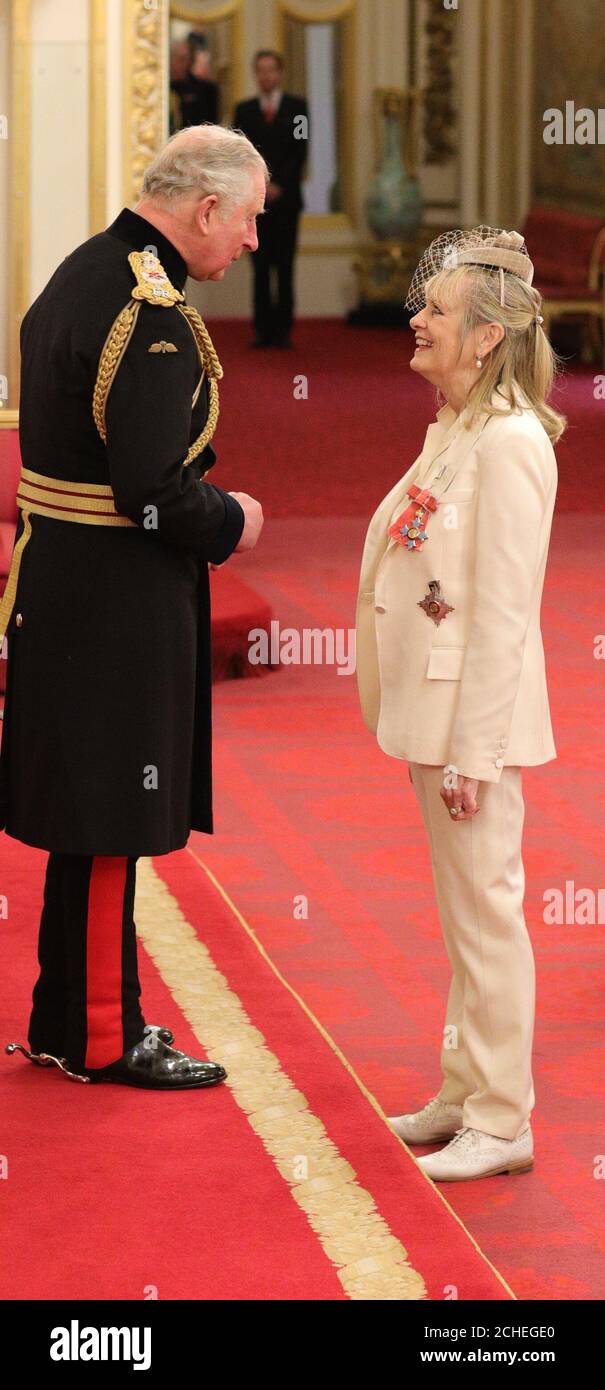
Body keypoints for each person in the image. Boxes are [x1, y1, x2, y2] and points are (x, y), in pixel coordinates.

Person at [1, 125, 267, 1089]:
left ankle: (61, 1016)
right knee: (112, 817)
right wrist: (232, 521)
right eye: (245, 221)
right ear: (205, 209)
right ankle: (102, 1036)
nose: (248, 243)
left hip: (67, 589)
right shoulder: (148, 309)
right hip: (115, 605)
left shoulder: (89, 266)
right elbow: (149, 489)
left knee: (87, 815)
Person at [355, 228, 565, 1180]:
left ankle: (504, 1118)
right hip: (432, 717)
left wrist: (476, 755)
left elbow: (505, 617)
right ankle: (463, 1085)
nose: (417, 319)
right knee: (461, 917)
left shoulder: (511, 441)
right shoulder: (455, 428)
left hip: (470, 726)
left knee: (488, 917)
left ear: (485, 337)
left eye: (435, 309)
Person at [233, 51, 308, 347]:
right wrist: (262, 186)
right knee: (261, 267)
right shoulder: (245, 110)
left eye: (271, 70)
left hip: (287, 201)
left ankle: (284, 331)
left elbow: (300, 151)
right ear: (255, 73)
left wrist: (279, 184)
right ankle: (262, 330)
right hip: (256, 203)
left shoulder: (298, 108)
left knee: (285, 266)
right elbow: (241, 153)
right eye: (260, 70)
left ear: (280, 73)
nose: (266, 76)